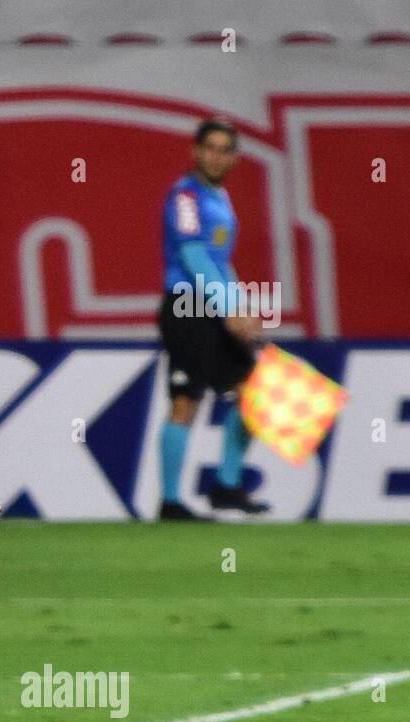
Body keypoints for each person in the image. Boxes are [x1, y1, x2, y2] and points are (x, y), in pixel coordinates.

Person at [157, 117, 269, 520]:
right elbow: (195, 257)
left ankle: (226, 486)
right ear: (196, 150)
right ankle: (170, 503)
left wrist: (240, 306)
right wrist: (229, 308)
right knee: (186, 400)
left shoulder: (218, 198)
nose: (216, 156)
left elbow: (221, 263)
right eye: (210, 147)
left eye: (224, 149)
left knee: (254, 392)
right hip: (187, 307)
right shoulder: (186, 197)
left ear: (235, 157)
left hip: (213, 308)